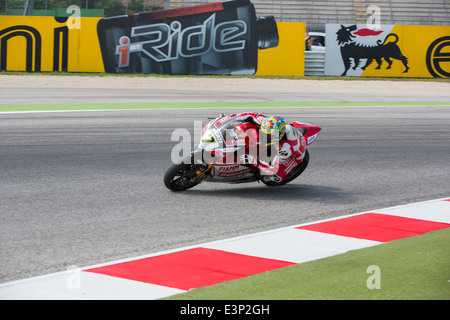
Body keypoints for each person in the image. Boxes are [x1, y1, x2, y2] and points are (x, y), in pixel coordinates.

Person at [231, 112, 307, 183]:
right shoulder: (267, 123)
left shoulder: (285, 149)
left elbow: (272, 169)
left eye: (268, 136)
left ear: (278, 136)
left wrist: (252, 160)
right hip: (285, 134)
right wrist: (232, 117)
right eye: (263, 133)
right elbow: (251, 115)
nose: (264, 137)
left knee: (273, 177)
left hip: (295, 156)